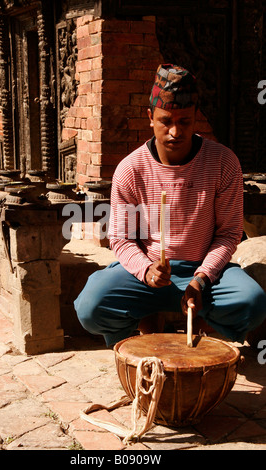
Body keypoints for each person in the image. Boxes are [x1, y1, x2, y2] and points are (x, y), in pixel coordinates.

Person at [74, 64, 266, 348]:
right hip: (147, 273)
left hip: (204, 273)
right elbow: (121, 238)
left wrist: (201, 279)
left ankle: (202, 322)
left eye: (185, 121)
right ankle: (146, 320)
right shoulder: (131, 169)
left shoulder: (223, 162)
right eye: (166, 121)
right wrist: (146, 270)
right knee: (91, 306)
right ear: (150, 117)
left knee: (253, 303)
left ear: (196, 118)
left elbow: (229, 234)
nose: (175, 131)